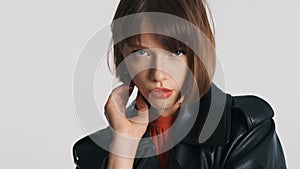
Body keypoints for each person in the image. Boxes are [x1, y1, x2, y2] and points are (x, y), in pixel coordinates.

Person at [72, 0, 287, 168]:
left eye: (175, 52)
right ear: (124, 57)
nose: (158, 74)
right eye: (141, 52)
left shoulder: (245, 130)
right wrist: (124, 148)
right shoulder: (96, 153)